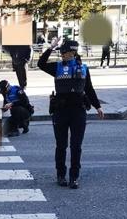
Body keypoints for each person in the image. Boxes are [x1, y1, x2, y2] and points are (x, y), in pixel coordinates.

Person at [38, 39, 105, 189]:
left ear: (73, 53)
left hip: (78, 111)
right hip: (60, 111)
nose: (62, 56)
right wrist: (51, 48)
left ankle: (74, 177)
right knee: (61, 145)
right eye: (61, 53)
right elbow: (40, 64)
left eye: (65, 53)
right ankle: (61, 175)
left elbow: (89, 89)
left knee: (76, 146)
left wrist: (98, 106)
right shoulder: (57, 67)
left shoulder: (84, 68)